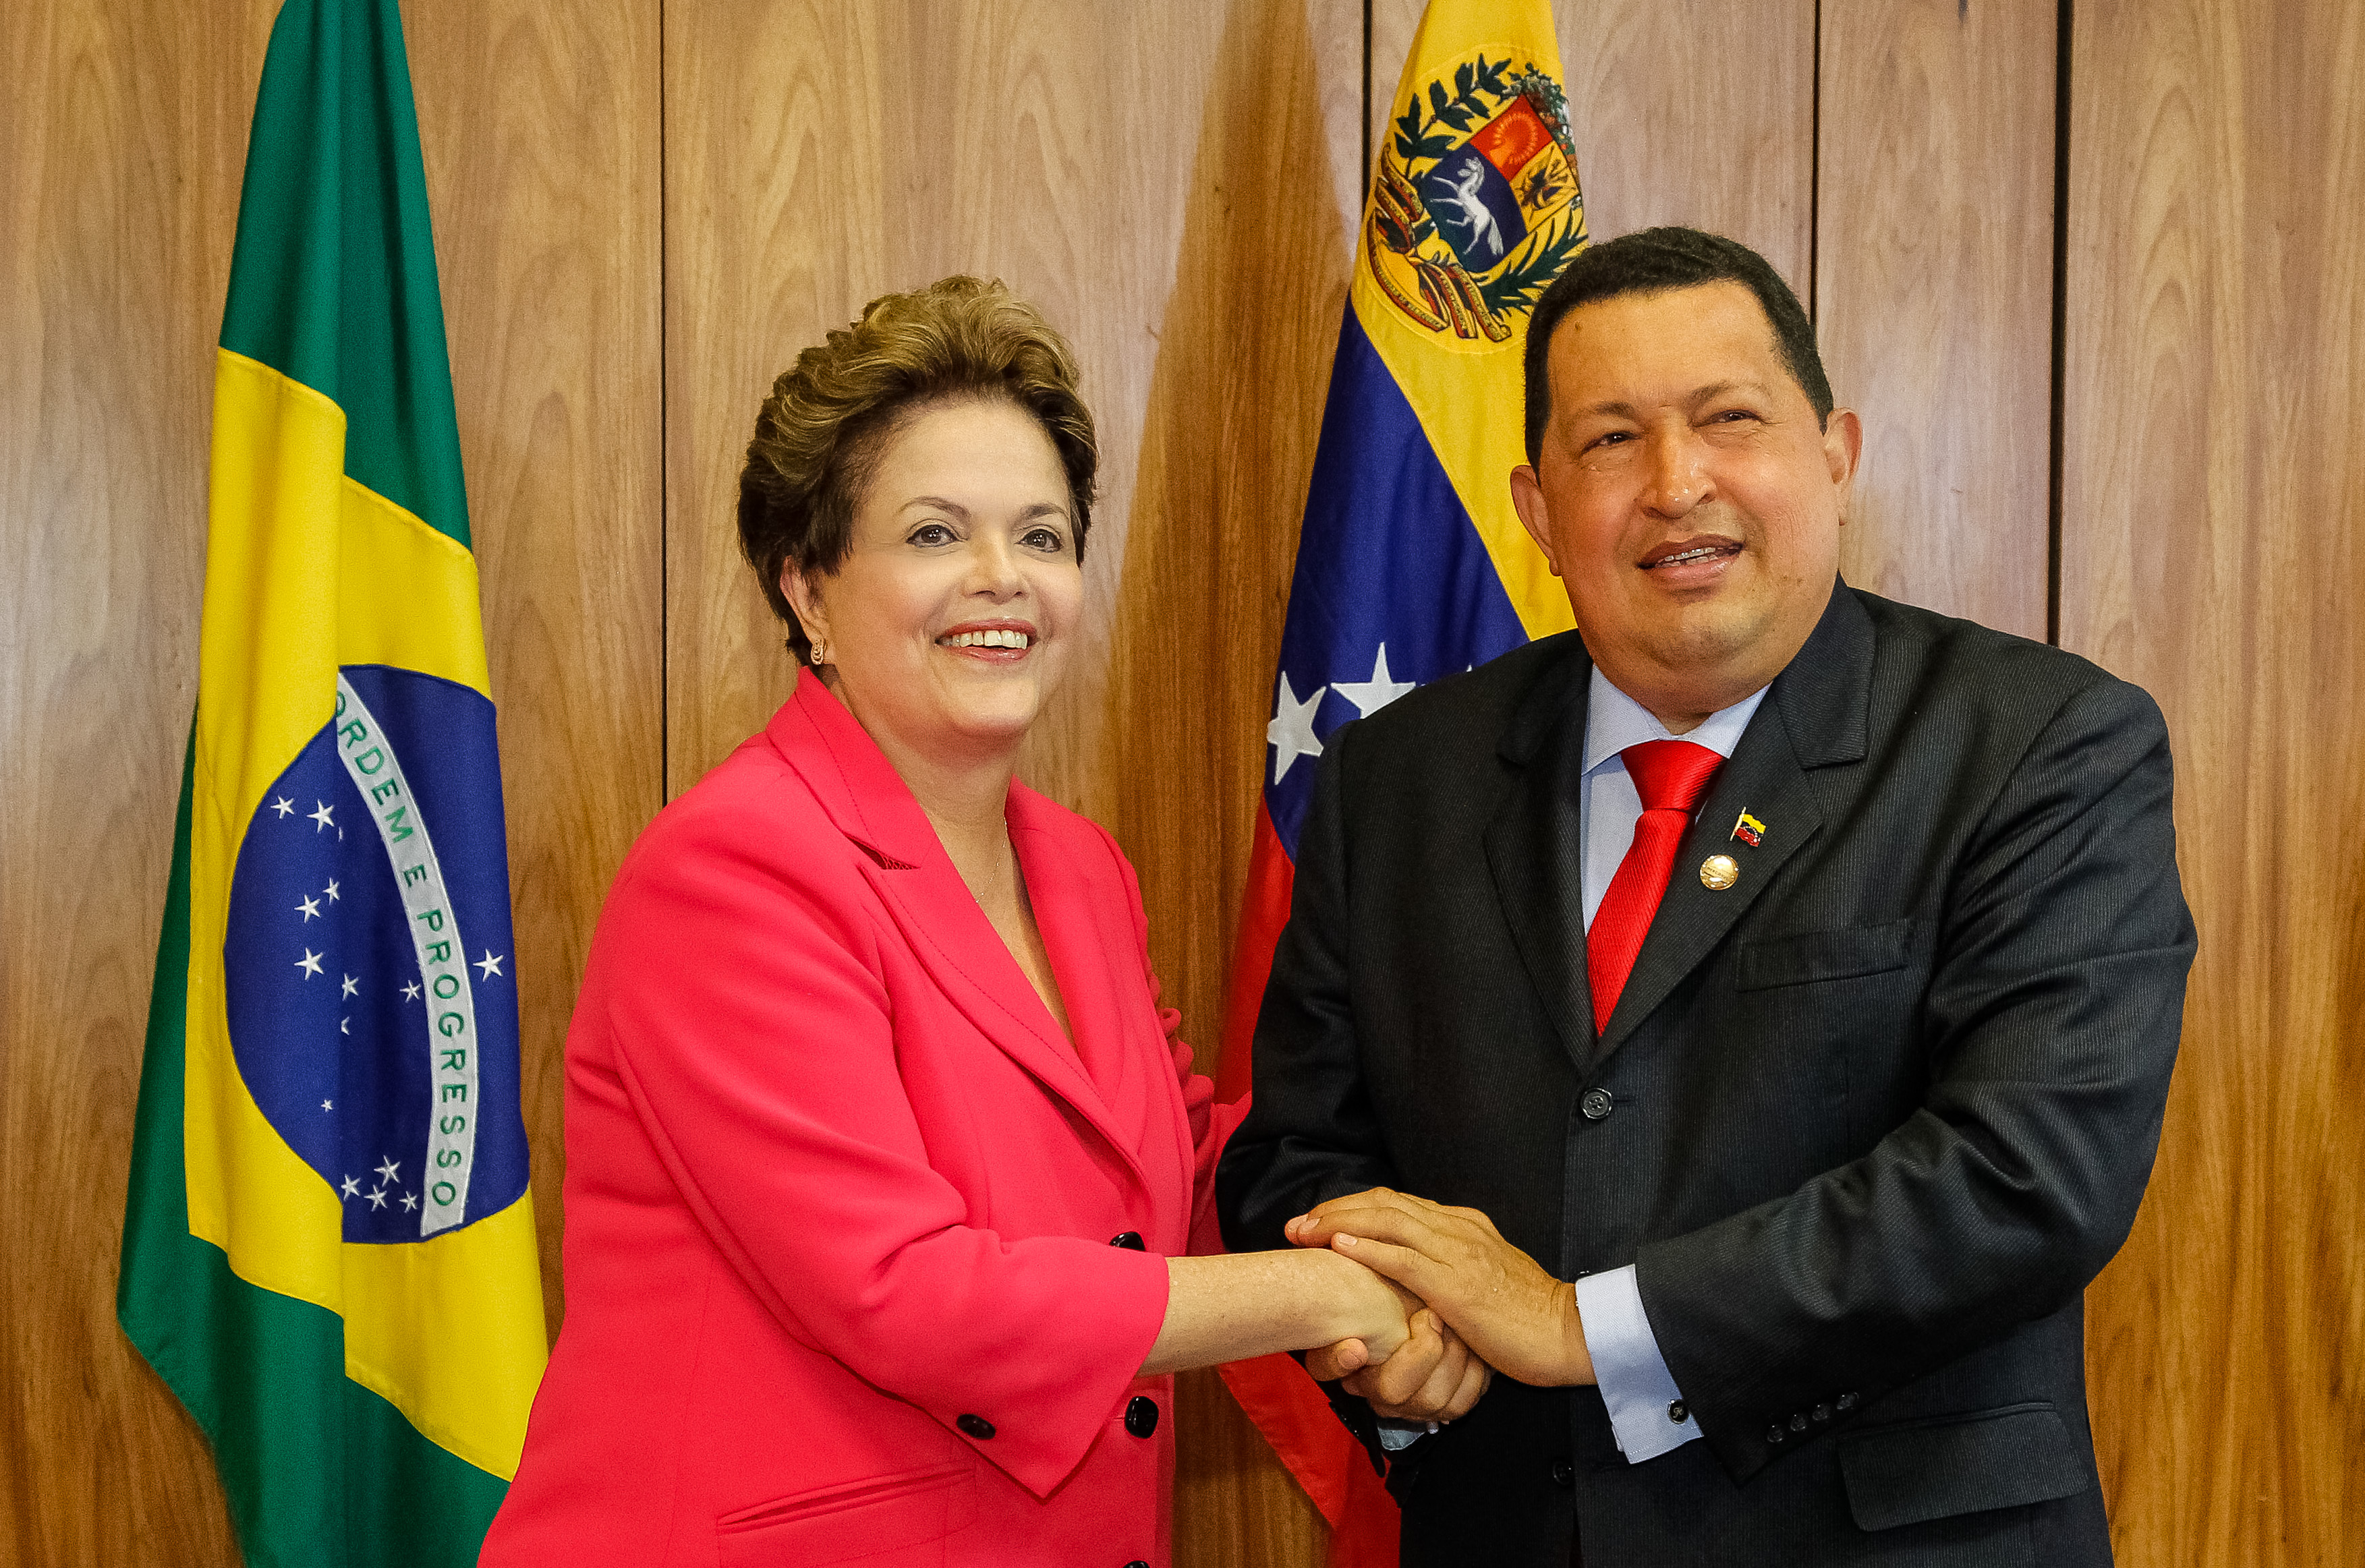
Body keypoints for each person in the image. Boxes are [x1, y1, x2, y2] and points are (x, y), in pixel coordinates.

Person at [1218, 227, 2196, 1565]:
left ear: (1834, 455)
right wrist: (1380, 1320)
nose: (1676, 482)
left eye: (1728, 418)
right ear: (1533, 504)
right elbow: (1297, 1150)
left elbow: (2029, 1173)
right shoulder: (1402, 774)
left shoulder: (2033, 744)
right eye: (1609, 440)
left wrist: (1586, 1324)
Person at [482, 277, 1482, 1568]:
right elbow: (908, 1293)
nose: (1002, 579)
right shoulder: (731, 869)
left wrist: (1444, 1230)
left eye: (1044, 535)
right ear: (806, 590)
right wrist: (1327, 1293)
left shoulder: (1079, 871)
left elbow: (1184, 1172)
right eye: (935, 534)